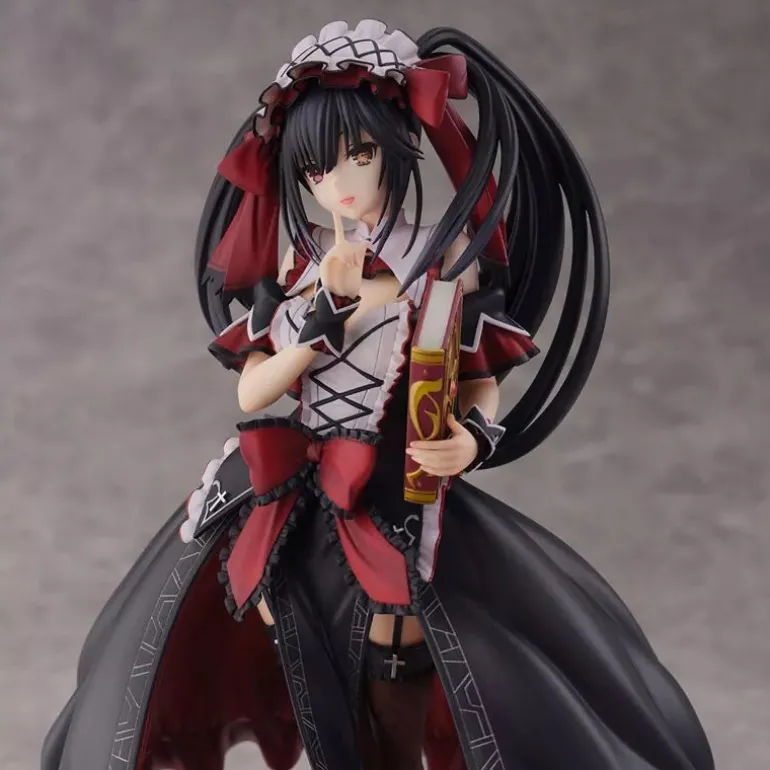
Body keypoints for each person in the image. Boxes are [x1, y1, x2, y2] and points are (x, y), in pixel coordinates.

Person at [42, 19, 715, 770]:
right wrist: (317, 325)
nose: (341, 182)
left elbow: (479, 379)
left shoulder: (440, 262)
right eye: (318, 168)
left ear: (394, 149)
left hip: (401, 484)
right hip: (299, 487)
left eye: (359, 155)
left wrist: (471, 438)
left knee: (413, 642)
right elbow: (256, 389)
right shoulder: (297, 271)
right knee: (269, 626)